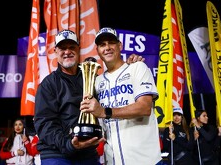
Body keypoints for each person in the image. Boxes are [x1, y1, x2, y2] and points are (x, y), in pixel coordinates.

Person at [34, 29, 144, 165]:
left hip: (87, 153)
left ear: (78, 49)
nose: (67, 51)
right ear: (55, 51)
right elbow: (44, 124)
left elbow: (114, 93)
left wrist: (128, 67)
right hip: (57, 154)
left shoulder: (93, 78)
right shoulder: (48, 85)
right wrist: (69, 145)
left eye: (71, 47)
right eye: (63, 48)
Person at [80, 27, 162, 165]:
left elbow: (145, 108)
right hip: (112, 160)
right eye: (102, 45)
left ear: (120, 45)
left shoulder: (138, 68)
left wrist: (104, 112)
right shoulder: (96, 82)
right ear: (98, 51)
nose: (107, 47)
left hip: (145, 160)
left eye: (111, 42)